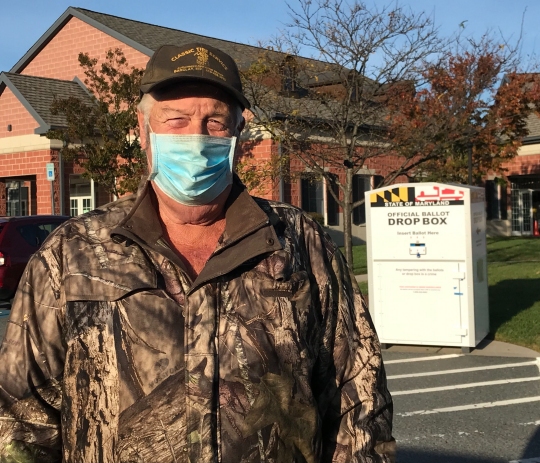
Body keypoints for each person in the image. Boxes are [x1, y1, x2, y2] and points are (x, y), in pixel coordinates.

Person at [0, 43, 395, 462]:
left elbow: (358, 398)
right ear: (143, 128)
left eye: (215, 122)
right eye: (176, 120)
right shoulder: (72, 253)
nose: (195, 137)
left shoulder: (300, 242)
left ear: (240, 133)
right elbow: (21, 419)